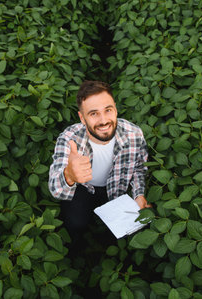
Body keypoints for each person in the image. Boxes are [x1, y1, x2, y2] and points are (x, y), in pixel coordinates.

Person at [48, 80, 151, 252]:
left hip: (117, 187)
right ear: (82, 117)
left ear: (115, 109)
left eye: (108, 110)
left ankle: (111, 248)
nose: (104, 121)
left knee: (126, 229)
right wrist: (69, 175)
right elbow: (55, 189)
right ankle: (75, 249)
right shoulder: (69, 138)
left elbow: (140, 168)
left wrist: (139, 194)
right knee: (75, 223)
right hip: (83, 188)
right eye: (94, 113)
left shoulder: (134, 134)